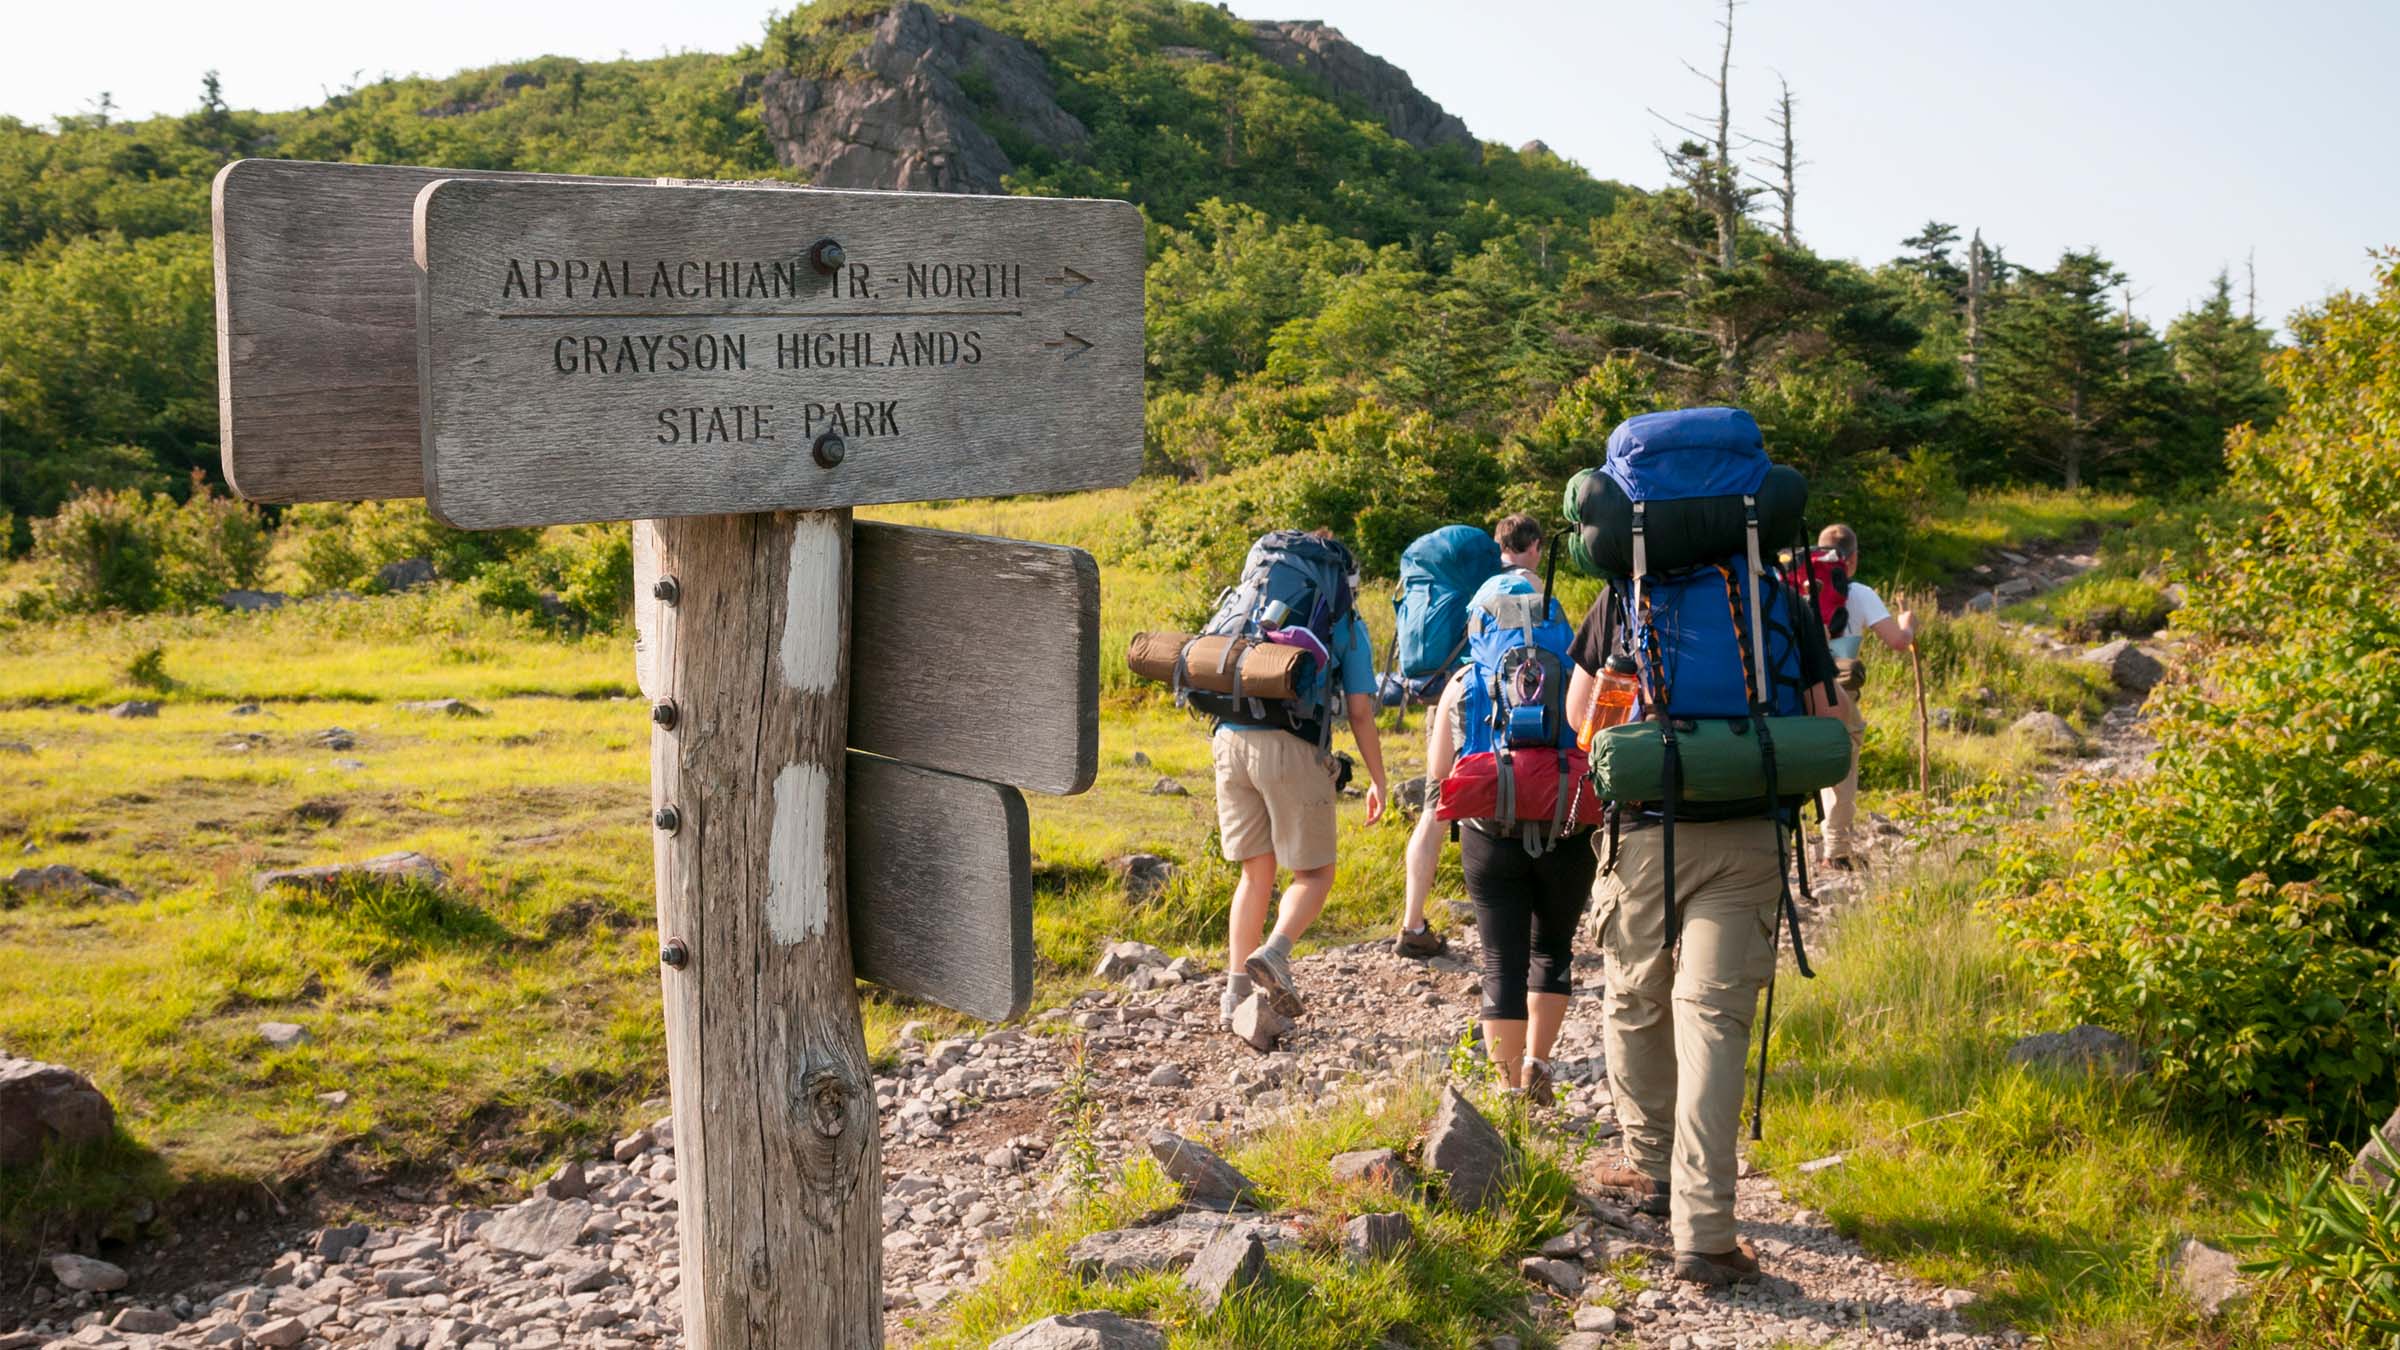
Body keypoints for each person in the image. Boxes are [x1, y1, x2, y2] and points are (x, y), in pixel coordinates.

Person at [1564, 585, 1850, 1286]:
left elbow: (1578, 720)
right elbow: (1835, 721)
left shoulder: (1623, 597)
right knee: (1715, 1024)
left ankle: (1651, 1165)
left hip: (1640, 833)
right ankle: (1708, 1233)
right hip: (1749, 834)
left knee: (1635, 999)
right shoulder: (1776, 597)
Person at [1419, 576, 1594, 1104]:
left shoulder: (1463, 683)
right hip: (1569, 828)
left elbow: (1437, 779)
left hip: (1490, 835)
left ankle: (1510, 1086)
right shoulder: (1580, 677)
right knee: (1554, 949)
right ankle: (1540, 1060)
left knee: (1501, 960)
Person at [1216, 529, 1389, 1029]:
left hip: (1228, 737)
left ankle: (1234, 996)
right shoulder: (1345, 622)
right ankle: (1275, 952)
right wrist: (1378, 779)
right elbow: (1359, 712)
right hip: (1290, 744)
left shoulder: (1252, 601)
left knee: (1255, 872)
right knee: (1314, 874)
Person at [1395, 514, 1547, 958]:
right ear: (1535, 545)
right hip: (1491, 703)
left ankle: (1413, 922)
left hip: (1445, 695)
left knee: (1434, 810)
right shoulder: (1525, 589)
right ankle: (1512, 926)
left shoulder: (1470, 584)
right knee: (1508, 804)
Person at [1810, 524, 1916, 870]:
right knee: (1843, 763)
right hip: (1837, 690)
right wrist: (1908, 622)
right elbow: (1898, 643)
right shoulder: (1860, 593)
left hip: (1793, 685)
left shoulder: (1796, 586)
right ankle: (1836, 850)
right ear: (1852, 559)